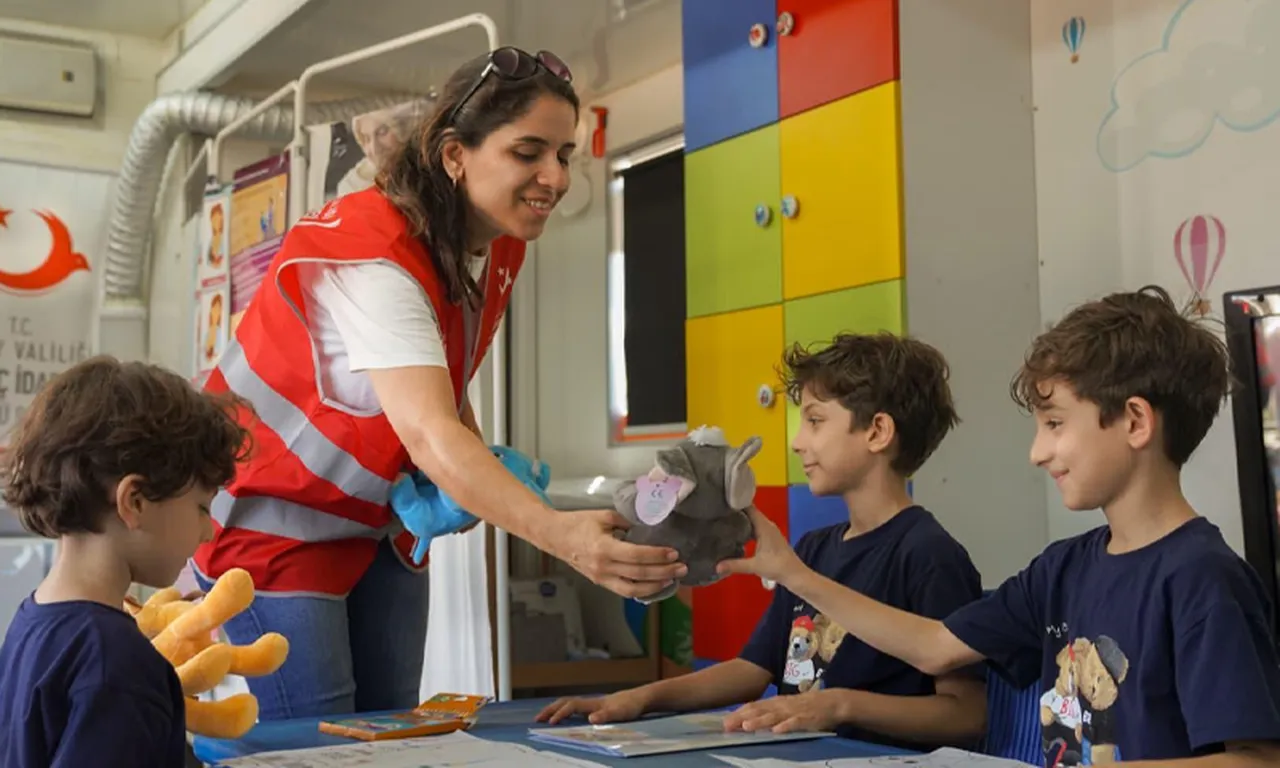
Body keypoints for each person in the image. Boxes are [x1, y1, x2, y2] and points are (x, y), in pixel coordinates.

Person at [191, 46, 686, 720]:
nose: (556, 177)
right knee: (317, 748)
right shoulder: (376, 254)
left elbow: (445, 385)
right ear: (455, 154)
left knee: (389, 733)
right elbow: (427, 430)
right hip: (275, 521)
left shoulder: (493, 243)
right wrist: (562, 537)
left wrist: (483, 464)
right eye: (528, 152)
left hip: (379, 521)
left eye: (565, 155)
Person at [721, 287, 1280, 767]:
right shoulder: (1062, 567)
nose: (1039, 452)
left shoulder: (1204, 580)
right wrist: (792, 574)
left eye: (1055, 424)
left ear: (1134, 421)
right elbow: (935, 647)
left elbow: (1256, 759)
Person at [538, 333, 987, 751]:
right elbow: (754, 670)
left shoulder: (930, 555)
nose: (797, 442)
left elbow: (965, 715)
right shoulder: (812, 549)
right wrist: (636, 699)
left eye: (814, 421)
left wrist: (839, 705)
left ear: (877, 432)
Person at [0, 356, 250, 768]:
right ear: (134, 501)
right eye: (202, 508)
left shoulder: (31, 622)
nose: (208, 532)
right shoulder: (118, 665)